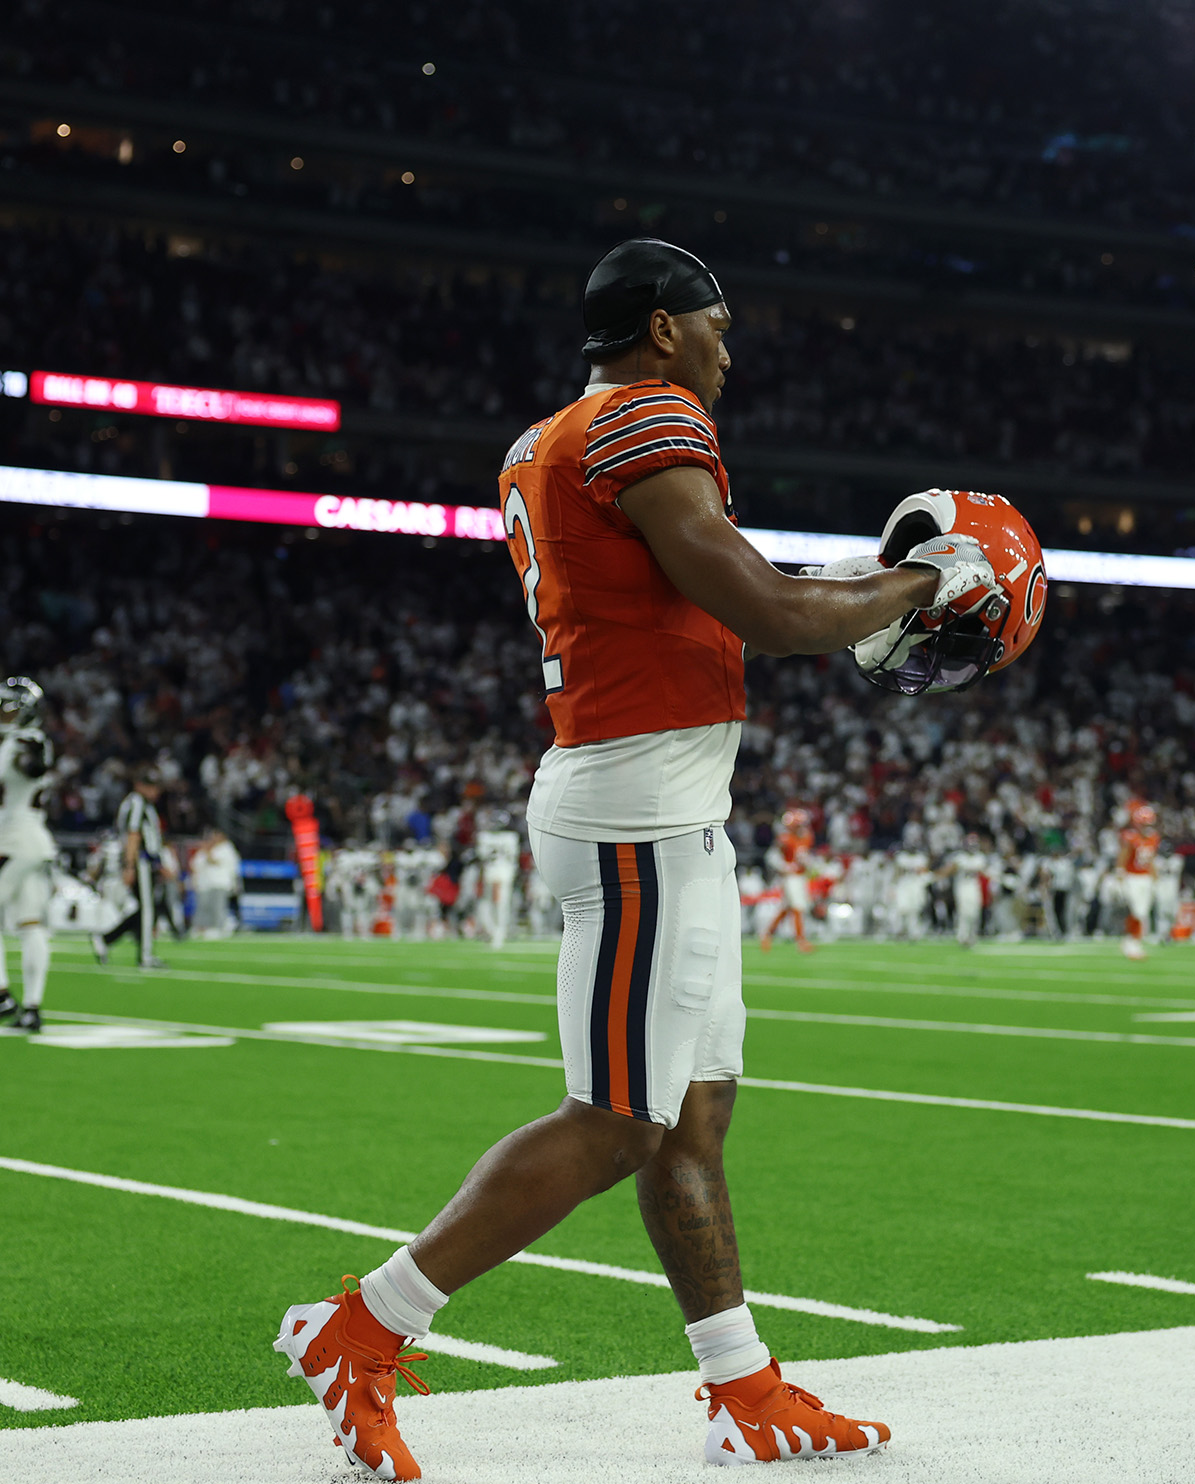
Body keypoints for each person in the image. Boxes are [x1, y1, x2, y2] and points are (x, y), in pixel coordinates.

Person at [272, 237, 1002, 1479]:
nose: (731, 343)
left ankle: (742, 1385)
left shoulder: (556, 437)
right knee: (616, 1120)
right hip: (634, 816)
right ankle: (365, 1326)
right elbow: (768, 616)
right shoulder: (646, 421)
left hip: (670, 810)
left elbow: (726, 584)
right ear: (662, 328)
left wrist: (872, 583)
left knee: (693, 1118)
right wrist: (917, 583)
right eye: (717, 321)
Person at [0, 677, 59, 1033]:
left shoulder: (28, 740)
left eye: (10, 708)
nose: (3, 714)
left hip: (15, 839)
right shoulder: (18, 741)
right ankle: (32, 1007)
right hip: (35, 839)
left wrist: (28, 760)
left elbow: (35, 764)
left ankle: (1, 995)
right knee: (30, 924)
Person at [95, 770, 172, 968]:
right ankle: (145, 956)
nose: (154, 791)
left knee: (144, 910)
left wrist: (159, 864)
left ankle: (105, 939)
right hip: (141, 862)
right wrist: (130, 865)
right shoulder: (137, 802)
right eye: (150, 786)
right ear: (139, 785)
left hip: (146, 861)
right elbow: (133, 834)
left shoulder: (141, 803)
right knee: (147, 910)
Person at [757, 807, 815, 953]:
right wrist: (784, 867)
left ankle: (767, 934)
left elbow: (804, 856)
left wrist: (808, 864)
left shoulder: (806, 837)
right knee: (798, 907)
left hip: (800, 876)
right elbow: (771, 857)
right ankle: (801, 940)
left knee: (787, 908)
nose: (801, 827)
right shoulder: (784, 839)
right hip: (790, 877)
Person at [1117, 800, 1160, 961]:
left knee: (1142, 912)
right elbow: (1124, 855)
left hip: (1146, 878)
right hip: (1132, 877)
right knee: (1136, 910)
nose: (1147, 827)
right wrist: (1120, 873)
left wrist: (1155, 877)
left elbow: (1152, 859)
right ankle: (1132, 942)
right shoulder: (1131, 837)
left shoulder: (1154, 838)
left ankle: (1132, 941)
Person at [476, 812, 523, 948]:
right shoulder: (511, 838)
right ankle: (497, 933)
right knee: (500, 905)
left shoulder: (485, 837)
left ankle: (496, 933)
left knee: (491, 904)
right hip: (504, 873)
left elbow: (481, 856)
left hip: (493, 872)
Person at [191, 828, 241, 939]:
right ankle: (206, 928)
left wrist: (206, 850)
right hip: (210, 883)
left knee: (218, 907)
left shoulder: (226, 848)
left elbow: (214, 861)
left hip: (221, 883)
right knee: (207, 907)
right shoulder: (216, 849)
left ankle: (218, 928)